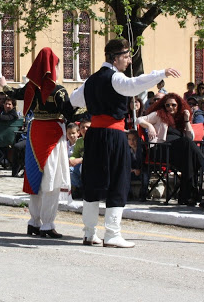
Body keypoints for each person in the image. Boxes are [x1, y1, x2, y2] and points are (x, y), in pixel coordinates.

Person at [70, 38, 181, 248]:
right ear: (115, 57)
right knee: (118, 180)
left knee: (93, 180)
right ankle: (112, 234)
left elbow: (74, 100)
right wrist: (161, 73)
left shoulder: (91, 80)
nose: (129, 61)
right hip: (113, 134)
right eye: (126, 56)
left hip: (94, 135)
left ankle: (89, 233)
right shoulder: (116, 78)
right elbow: (133, 85)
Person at [0, 47, 72, 239]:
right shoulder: (59, 91)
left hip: (35, 133)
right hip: (52, 134)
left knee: (35, 178)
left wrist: (3, 85)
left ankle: (34, 222)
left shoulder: (31, 88)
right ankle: (47, 224)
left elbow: (14, 93)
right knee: (52, 180)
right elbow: (71, 113)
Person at [137, 93, 204, 205]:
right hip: (161, 150)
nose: (170, 108)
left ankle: (186, 197)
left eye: (173, 105)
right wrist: (150, 126)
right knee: (187, 145)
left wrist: (187, 120)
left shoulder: (181, 117)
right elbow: (139, 120)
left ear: (179, 105)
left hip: (177, 152)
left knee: (189, 160)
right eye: (167, 105)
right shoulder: (159, 114)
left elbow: (190, 136)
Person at [69, 118, 91, 199]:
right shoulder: (79, 141)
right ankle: (79, 188)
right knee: (70, 169)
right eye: (82, 127)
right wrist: (71, 159)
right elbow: (75, 154)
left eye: (87, 127)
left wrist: (80, 160)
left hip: (93, 165)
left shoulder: (96, 140)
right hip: (81, 164)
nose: (84, 129)